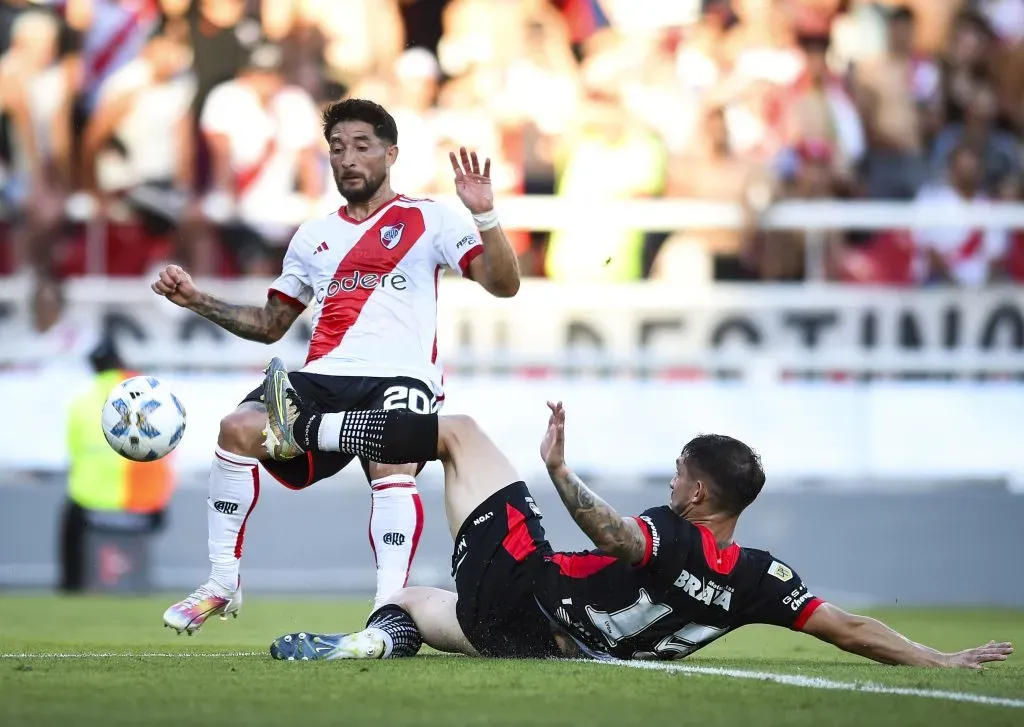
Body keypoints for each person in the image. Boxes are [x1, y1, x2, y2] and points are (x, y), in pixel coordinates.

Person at [261, 358, 1014, 667]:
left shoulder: (670, 535)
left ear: (696, 494)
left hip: (528, 593)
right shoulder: (759, 577)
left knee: (460, 433)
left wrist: (558, 470)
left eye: (678, 472)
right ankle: (372, 642)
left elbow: (615, 534)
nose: (671, 478)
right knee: (411, 600)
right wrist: (941, 659)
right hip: (546, 650)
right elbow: (849, 628)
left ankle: (304, 431)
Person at [153, 98, 521, 634]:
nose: (346, 158)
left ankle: (388, 612)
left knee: (391, 465)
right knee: (236, 429)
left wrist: (484, 215)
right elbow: (271, 323)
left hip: (400, 377)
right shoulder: (312, 237)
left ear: (391, 154)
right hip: (323, 378)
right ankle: (222, 583)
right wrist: (196, 300)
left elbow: (504, 284)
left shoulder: (430, 217)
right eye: (336, 148)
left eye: (361, 146)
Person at [61, 337, 174, 592]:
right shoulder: (153, 393)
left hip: (93, 505)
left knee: (69, 523)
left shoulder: (82, 401)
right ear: (121, 361)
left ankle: (71, 587)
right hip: (146, 505)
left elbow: (73, 452)